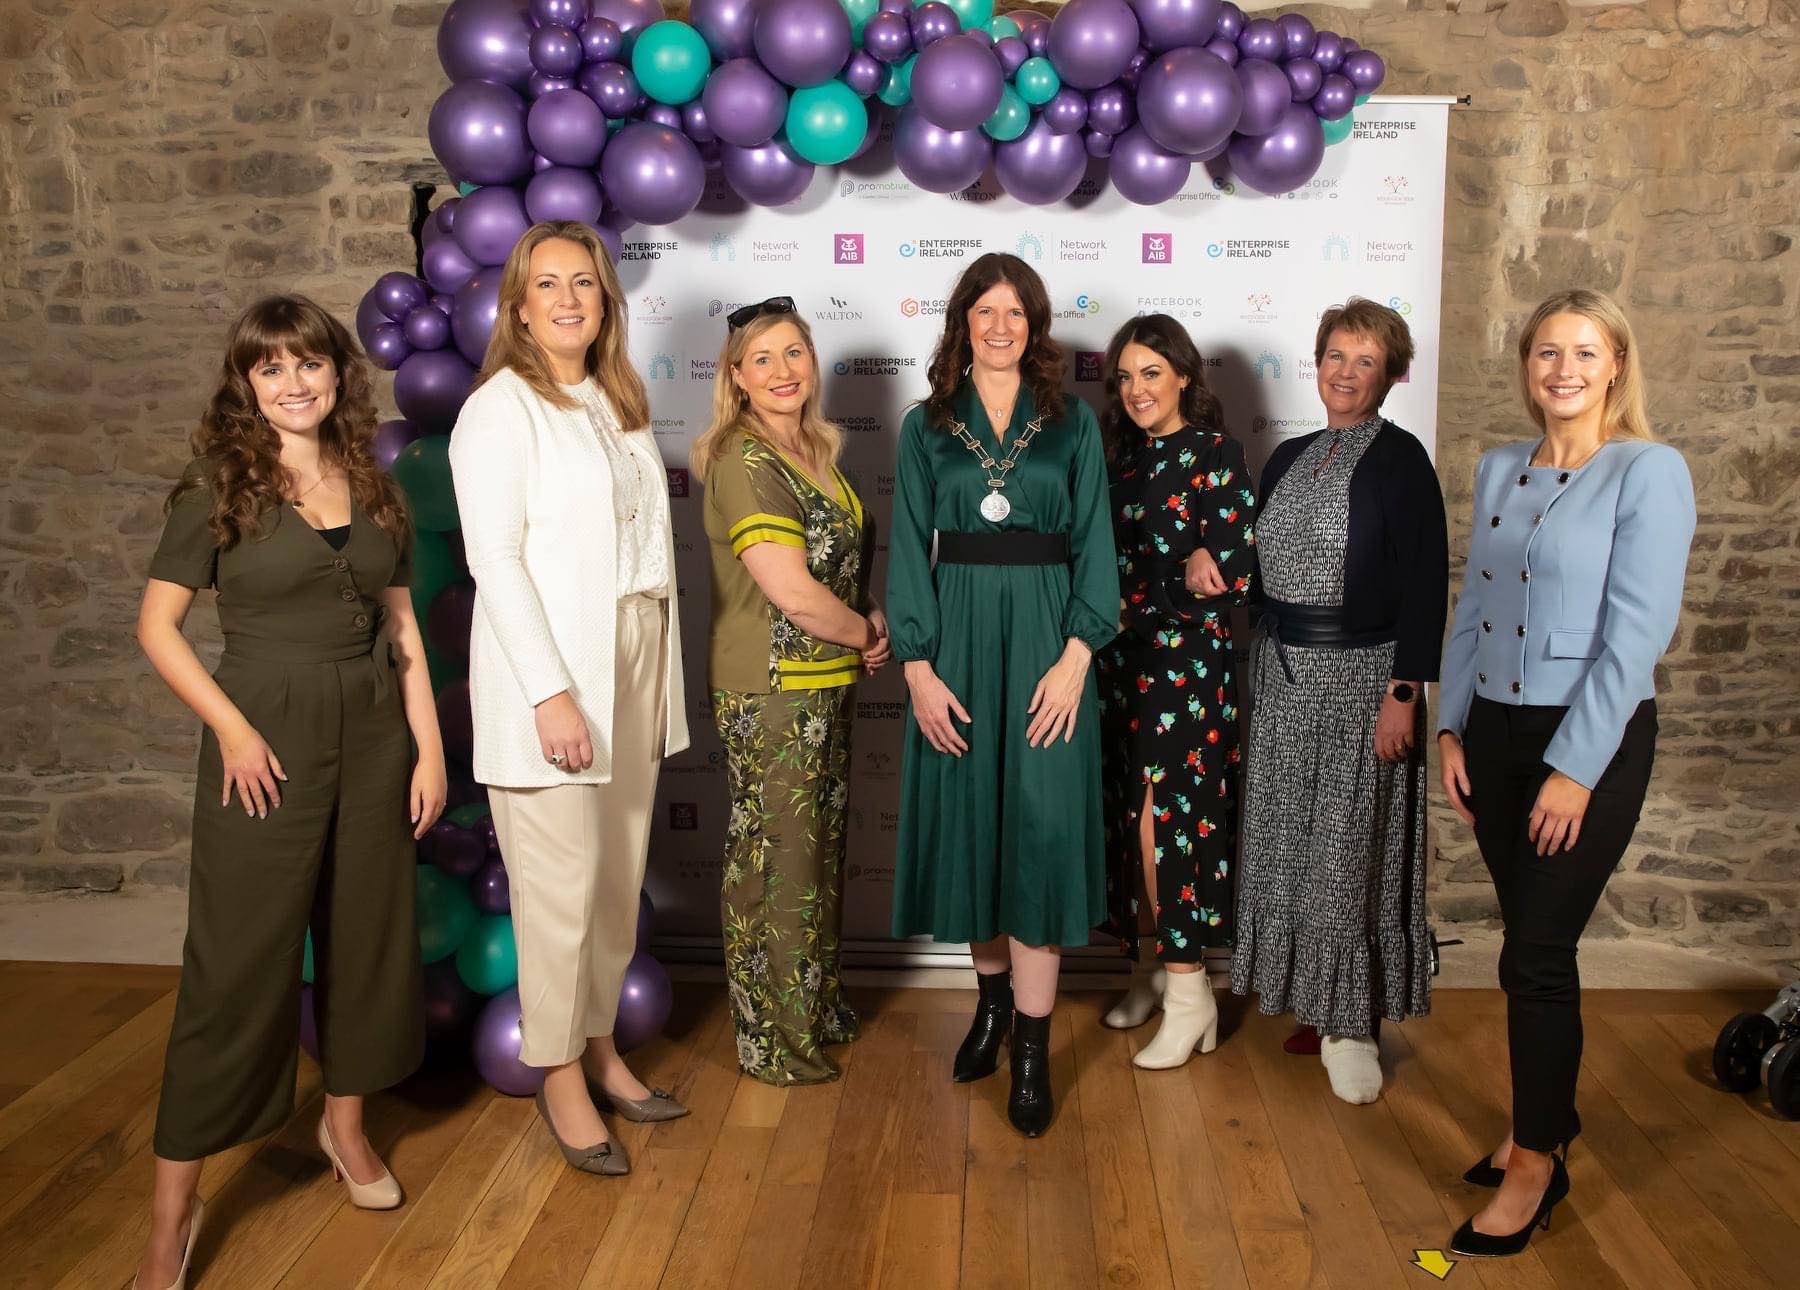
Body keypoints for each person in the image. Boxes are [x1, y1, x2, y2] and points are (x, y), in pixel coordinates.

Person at [135, 296, 442, 1290]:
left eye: (308, 364)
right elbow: (158, 627)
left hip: (372, 733)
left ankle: (344, 1129)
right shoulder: (218, 483)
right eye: (271, 369)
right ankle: (170, 1220)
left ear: (336, 374)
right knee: (235, 969)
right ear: (247, 383)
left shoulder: (373, 480)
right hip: (263, 737)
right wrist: (231, 728)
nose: (293, 383)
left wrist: (429, 751)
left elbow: (402, 630)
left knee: (366, 939)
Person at [1438, 290, 1694, 1257]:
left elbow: (1634, 642)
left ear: (1616, 365)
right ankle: (1545, 1119)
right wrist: (1452, 729)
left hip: (1587, 741)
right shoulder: (1500, 466)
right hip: (1494, 734)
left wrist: (1574, 771)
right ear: (1528, 365)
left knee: (1536, 955)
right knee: (1529, 944)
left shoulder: (1647, 472)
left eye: (1585, 353)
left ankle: (1537, 1161)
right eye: (1548, 353)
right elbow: (1473, 609)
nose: (1564, 371)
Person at [449, 221, 690, 1178]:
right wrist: (550, 694)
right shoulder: (499, 409)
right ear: (517, 306)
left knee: (610, 878)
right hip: (555, 671)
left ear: (604, 301)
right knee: (555, 893)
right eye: (545, 285)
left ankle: (601, 1046)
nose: (565, 300)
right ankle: (556, 1073)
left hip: (629, 649)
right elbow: (494, 559)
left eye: (582, 283)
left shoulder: (615, 398)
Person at [886, 252, 1118, 1137]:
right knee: (973, 830)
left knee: (1041, 837)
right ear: (961, 323)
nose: (999, 324)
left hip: (1050, 645)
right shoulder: (925, 426)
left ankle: (1030, 1050)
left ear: (1035, 325)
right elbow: (908, 548)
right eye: (984, 309)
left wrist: (1077, 654)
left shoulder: (1072, 425)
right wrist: (915, 666)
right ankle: (988, 1008)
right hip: (955, 644)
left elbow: (1096, 541)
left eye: (1015, 311)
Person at [1231, 296, 1448, 1106]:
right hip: (1286, 679)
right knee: (1289, 847)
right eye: (1335, 356)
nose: (1347, 373)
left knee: (1346, 855)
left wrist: (1405, 694)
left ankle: (1353, 1024)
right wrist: (1218, 576)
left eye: (1366, 361)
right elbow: (1267, 574)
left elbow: (1427, 587)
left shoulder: (1401, 460)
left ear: (1391, 374)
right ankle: (1315, 1003)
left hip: (1366, 681)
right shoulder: (1287, 458)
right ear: (1315, 363)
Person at [692, 297, 890, 1085]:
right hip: (770, 688)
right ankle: (773, 1039)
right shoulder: (745, 460)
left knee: (814, 861)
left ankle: (813, 1006)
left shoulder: (811, 451)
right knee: (777, 868)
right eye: (763, 359)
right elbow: (794, 593)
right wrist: (866, 634)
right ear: (736, 378)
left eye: (795, 353)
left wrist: (865, 611)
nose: (783, 371)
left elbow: (834, 574)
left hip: (821, 686)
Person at [1095, 315, 1256, 1069]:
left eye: (1151, 373)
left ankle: (1192, 993)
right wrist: (1167, 574)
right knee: (1129, 824)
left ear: (1184, 376)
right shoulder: (1119, 461)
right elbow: (1100, 570)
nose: (1136, 391)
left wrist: (1149, 589)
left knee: (1172, 829)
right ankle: (1148, 970)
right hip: (1123, 670)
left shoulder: (1217, 454)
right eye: (1124, 377)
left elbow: (1225, 584)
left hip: (1189, 671)